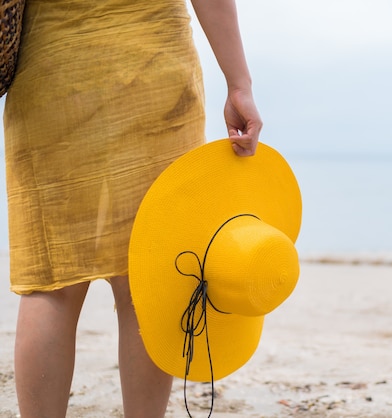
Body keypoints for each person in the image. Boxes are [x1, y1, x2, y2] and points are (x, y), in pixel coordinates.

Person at [2, 0, 262, 416]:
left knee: (51, 286)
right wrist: (239, 83)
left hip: (53, 68)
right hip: (153, 65)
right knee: (147, 279)